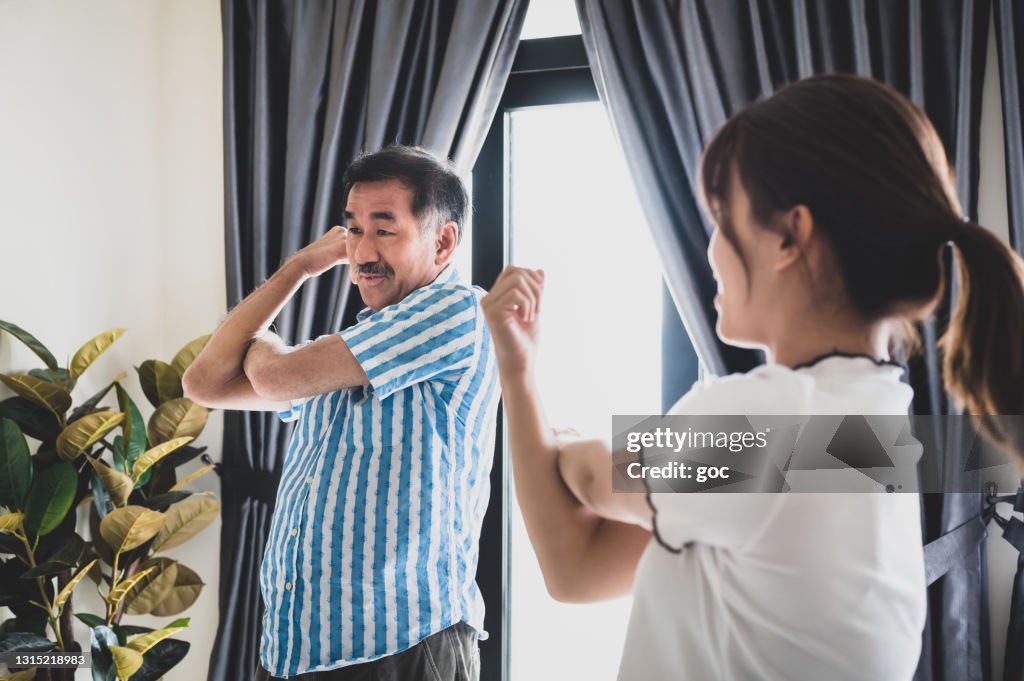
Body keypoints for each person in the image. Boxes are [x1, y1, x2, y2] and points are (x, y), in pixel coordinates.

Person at [481, 74, 1024, 680]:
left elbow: (584, 477)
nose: (711, 249)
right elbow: (577, 567)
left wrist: (579, 442)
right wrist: (519, 369)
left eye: (721, 219)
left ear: (790, 237)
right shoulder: (872, 434)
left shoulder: (776, 430)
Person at [183, 146, 498, 681]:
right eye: (353, 230)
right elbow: (205, 383)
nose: (361, 252)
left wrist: (264, 350)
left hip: (398, 648)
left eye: (384, 229)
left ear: (443, 241)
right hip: (295, 650)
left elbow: (274, 376)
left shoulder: (459, 312)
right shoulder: (353, 349)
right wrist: (300, 267)